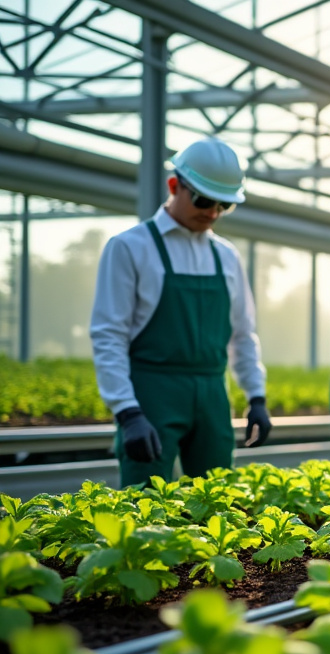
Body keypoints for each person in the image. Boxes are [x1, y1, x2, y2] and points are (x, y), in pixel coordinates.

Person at [90, 137, 271, 488]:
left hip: (212, 394)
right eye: (204, 200)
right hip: (152, 393)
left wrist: (256, 397)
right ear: (175, 185)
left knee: (218, 503)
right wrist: (128, 413)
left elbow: (242, 335)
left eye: (224, 205)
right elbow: (108, 335)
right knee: (143, 504)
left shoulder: (227, 256)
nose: (213, 212)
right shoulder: (130, 247)